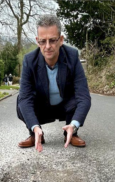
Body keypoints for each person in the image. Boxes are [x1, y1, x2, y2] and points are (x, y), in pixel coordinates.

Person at [17, 14, 91, 152]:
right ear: (37, 41)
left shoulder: (72, 57)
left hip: (66, 106)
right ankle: (35, 134)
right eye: (42, 41)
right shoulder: (29, 60)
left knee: (77, 98)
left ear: (61, 40)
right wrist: (34, 126)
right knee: (20, 101)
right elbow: (25, 98)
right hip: (42, 107)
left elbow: (84, 96)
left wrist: (75, 124)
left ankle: (71, 132)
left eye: (52, 40)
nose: (47, 46)